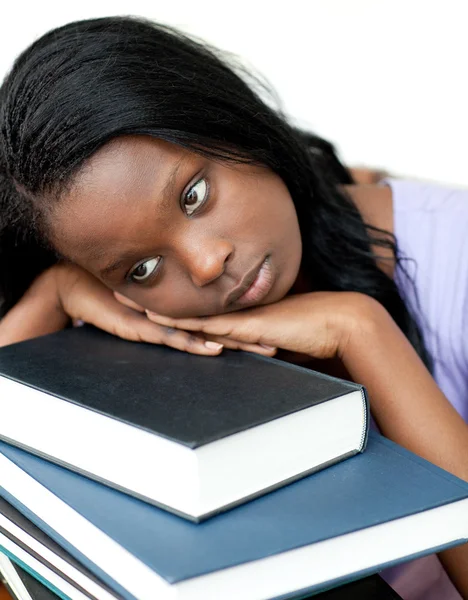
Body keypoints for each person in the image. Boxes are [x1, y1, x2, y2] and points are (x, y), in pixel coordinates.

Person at [0, 15, 467, 600]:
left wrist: (361, 330)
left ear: (233, 123)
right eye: (141, 268)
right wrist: (52, 294)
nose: (205, 265)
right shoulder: (125, 331)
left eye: (194, 195)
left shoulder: (456, 252)